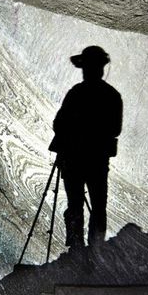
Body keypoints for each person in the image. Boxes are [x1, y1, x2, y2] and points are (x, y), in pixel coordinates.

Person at [49, 46, 123, 248]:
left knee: (75, 205)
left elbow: (58, 124)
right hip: (97, 161)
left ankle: (76, 250)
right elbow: (115, 129)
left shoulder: (76, 93)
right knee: (98, 207)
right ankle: (95, 250)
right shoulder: (112, 96)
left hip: (74, 160)